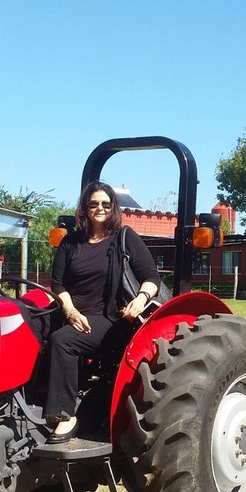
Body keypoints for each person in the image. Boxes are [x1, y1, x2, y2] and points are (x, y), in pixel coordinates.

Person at [44, 181, 162, 443]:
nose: (100, 209)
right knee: (26, 324)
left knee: (62, 341)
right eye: (94, 203)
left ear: (113, 208)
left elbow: (151, 277)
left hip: (106, 317)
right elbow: (58, 284)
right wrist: (71, 311)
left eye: (106, 204)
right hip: (71, 311)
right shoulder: (71, 242)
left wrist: (141, 299)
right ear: (85, 208)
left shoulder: (123, 237)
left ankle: (64, 415)